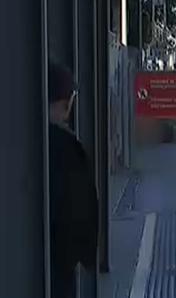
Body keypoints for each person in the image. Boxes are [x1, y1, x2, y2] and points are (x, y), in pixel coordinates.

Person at [48, 62, 98, 298]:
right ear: (65, 103)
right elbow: (80, 211)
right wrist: (85, 255)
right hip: (60, 268)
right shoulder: (68, 150)